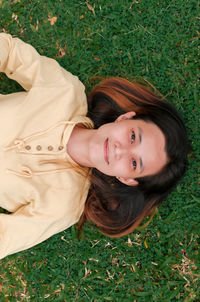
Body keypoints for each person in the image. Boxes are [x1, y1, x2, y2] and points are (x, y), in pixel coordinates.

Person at [0, 33, 188, 259]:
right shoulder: (66, 91)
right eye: (132, 137)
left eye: (134, 162)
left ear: (127, 179)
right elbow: (11, 53)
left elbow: (5, 237)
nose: (121, 150)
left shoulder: (64, 206)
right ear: (125, 118)